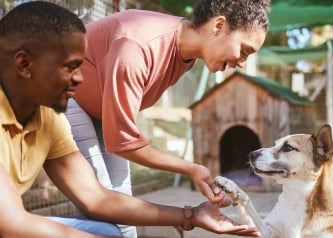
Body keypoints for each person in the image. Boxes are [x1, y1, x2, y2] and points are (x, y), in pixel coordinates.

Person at [0, 1, 261, 237]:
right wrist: (188, 168)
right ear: (218, 25)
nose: (242, 62)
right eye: (244, 50)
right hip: (76, 107)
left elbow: (98, 199)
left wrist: (191, 215)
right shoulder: (136, 45)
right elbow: (11, 225)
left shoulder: (186, 57)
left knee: (113, 216)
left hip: (96, 114)